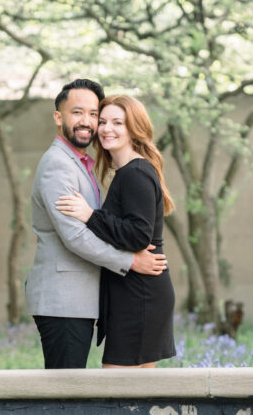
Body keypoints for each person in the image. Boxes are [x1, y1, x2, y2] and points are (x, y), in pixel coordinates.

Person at [25, 80, 168, 369]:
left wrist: (92, 215)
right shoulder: (58, 164)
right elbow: (75, 237)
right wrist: (129, 261)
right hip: (63, 299)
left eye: (94, 114)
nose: (88, 122)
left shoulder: (91, 165)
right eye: (78, 112)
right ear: (58, 117)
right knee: (67, 392)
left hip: (85, 299)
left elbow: (110, 226)